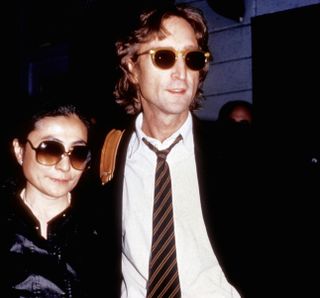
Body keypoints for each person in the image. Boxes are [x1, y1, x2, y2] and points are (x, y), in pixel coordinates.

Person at [100, 3, 261, 297]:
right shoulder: (106, 156)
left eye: (192, 58)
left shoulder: (242, 153)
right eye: (164, 57)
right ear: (132, 68)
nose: (181, 72)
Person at [0, 99, 105, 297]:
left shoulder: (102, 230)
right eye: (50, 149)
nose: (64, 167)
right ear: (20, 150)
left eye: (78, 153)